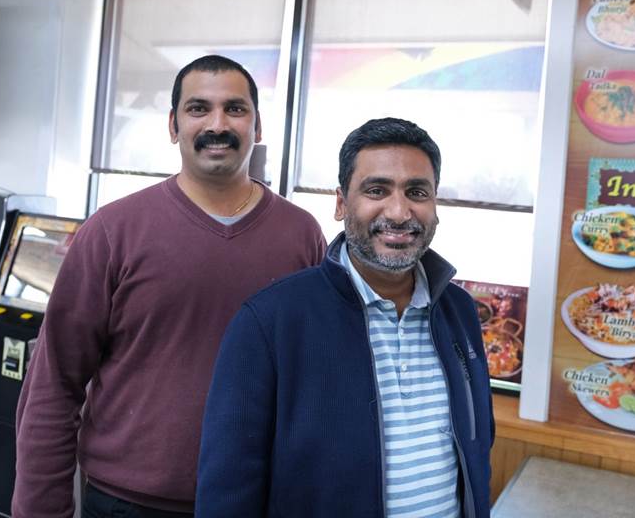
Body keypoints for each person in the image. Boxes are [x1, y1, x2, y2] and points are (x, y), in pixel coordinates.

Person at [13, 55, 327, 518]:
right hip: (127, 503)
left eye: (235, 109)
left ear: (257, 127)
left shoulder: (301, 235)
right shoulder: (112, 231)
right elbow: (55, 383)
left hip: (258, 499)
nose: (217, 124)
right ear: (173, 125)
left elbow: (313, 381)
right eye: (198, 108)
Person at [196, 118, 494, 517]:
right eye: (376, 190)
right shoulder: (270, 322)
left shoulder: (459, 311)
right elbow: (229, 491)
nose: (400, 211)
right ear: (340, 204)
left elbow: (477, 446)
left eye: (417, 192)